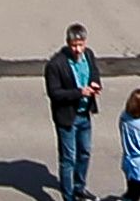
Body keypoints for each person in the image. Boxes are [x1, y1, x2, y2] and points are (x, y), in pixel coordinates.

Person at [44, 23, 102, 201]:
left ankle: (79, 187)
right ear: (68, 44)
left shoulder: (89, 55)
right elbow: (55, 93)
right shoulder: (55, 65)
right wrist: (79, 92)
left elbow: (94, 73)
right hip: (67, 118)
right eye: (74, 45)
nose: (78, 49)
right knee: (68, 158)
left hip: (85, 114)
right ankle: (68, 196)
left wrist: (94, 83)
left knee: (84, 152)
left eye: (81, 45)